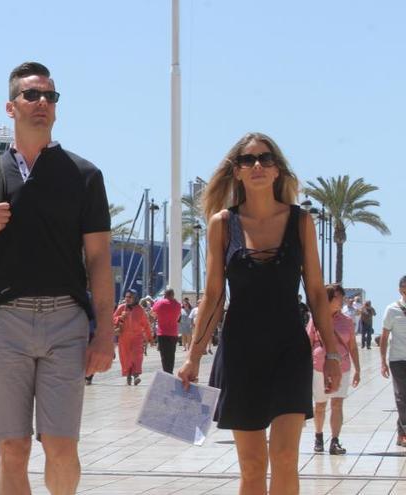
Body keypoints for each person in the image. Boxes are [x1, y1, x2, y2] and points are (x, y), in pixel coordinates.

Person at [0, 61, 115, 495]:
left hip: (66, 322)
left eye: (50, 96)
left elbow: (98, 259)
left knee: (61, 443)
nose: (42, 103)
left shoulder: (84, 175)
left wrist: (105, 332)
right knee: (12, 446)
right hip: (4, 322)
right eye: (31, 95)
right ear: (10, 106)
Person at [177, 132, 342, 494]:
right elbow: (214, 294)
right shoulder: (223, 223)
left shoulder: (301, 222)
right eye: (248, 160)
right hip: (240, 353)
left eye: (265, 159)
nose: (257, 166)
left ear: (277, 170)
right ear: (236, 171)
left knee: (284, 457)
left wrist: (331, 352)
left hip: (289, 351)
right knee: (252, 467)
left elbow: (315, 291)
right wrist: (192, 358)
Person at [308, 284, 360, 455]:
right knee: (320, 405)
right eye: (338, 297)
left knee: (337, 404)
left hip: (342, 366)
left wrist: (358, 369)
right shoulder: (315, 318)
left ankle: (335, 441)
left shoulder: (347, 321)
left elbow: (352, 347)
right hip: (319, 367)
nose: (342, 300)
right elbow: (308, 342)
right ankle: (318, 436)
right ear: (329, 298)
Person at [380, 275, 406, 446]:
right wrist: (382, 361)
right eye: (404, 287)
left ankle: (401, 431)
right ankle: (404, 432)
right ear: (399, 289)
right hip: (397, 359)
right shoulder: (392, 309)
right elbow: (384, 336)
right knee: (401, 396)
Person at [113, 289, 153, 385]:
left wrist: (150, 338)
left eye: (130, 297)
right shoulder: (121, 308)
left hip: (137, 338)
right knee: (125, 358)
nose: (127, 299)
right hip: (124, 337)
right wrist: (119, 318)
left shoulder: (140, 310)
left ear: (135, 298)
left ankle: (136, 375)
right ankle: (128, 375)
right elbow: (112, 319)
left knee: (137, 356)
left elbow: (146, 325)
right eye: (126, 297)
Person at [151, 288, 182, 374]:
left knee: (164, 355)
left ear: (165, 294)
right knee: (171, 354)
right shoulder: (178, 305)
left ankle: (166, 372)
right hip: (173, 333)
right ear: (173, 295)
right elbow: (178, 317)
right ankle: (170, 371)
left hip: (162, 333)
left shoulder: (159, 303)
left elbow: (153, 314)